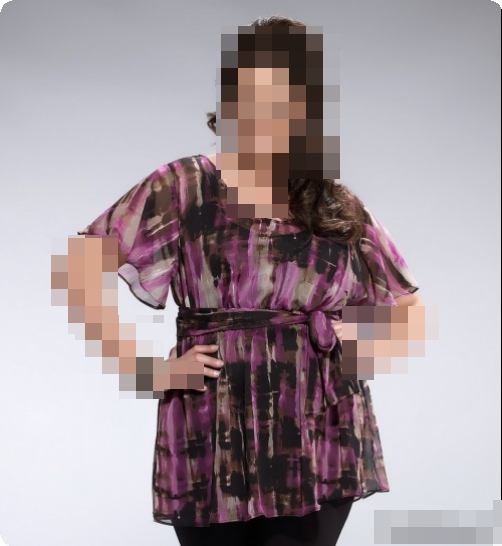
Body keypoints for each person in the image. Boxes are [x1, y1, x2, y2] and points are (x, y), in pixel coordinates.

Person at [75, 15, 422, 546]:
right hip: (212, 433)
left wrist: (359, 337)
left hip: (320, 434)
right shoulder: (186, 186)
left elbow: (408, 308)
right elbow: (80, 266)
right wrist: (145, 372)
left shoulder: (334, 202)